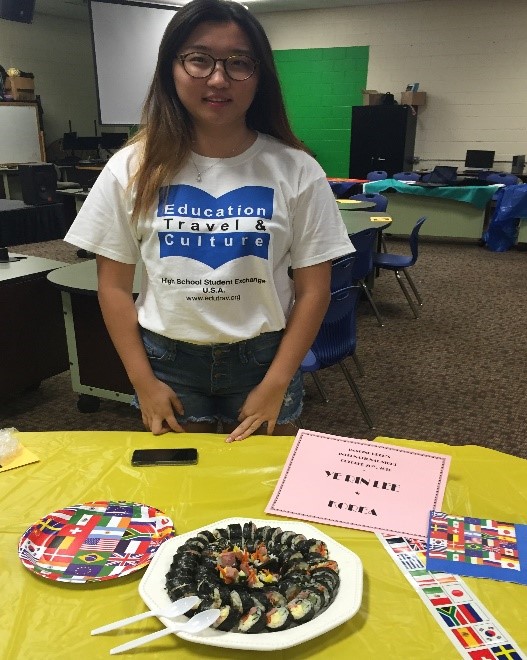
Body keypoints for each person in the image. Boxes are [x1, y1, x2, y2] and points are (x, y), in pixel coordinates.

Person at [64, 0, 353, 442]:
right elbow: (114, 287)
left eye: (239, 63)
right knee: (182, 489)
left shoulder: (296, 169)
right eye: (199, 59)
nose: (218, 79)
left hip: (264, 360)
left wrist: (276, 383)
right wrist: (143, 381)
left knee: (261, 487)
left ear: (260, 76)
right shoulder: (130, 168)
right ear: (170, 69)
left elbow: (314, 290)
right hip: (168, 361)